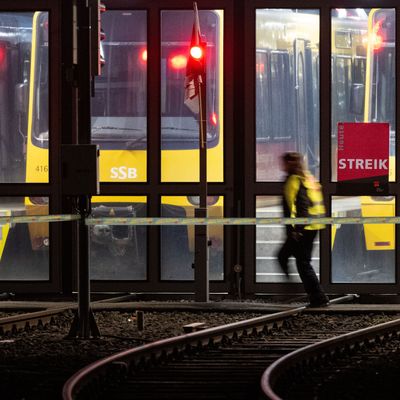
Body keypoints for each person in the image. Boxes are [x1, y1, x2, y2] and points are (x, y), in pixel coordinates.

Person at [277, 152, 329, 307]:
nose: (282, 165)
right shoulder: (307, 177)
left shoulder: (294, 180)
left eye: (284, 162)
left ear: (288, 164)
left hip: (303, 228)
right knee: (286, 256)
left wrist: (297, 230)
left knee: (301, 262)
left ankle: (317, 297)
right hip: (312, 225)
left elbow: (301, 205)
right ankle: (295, 290)